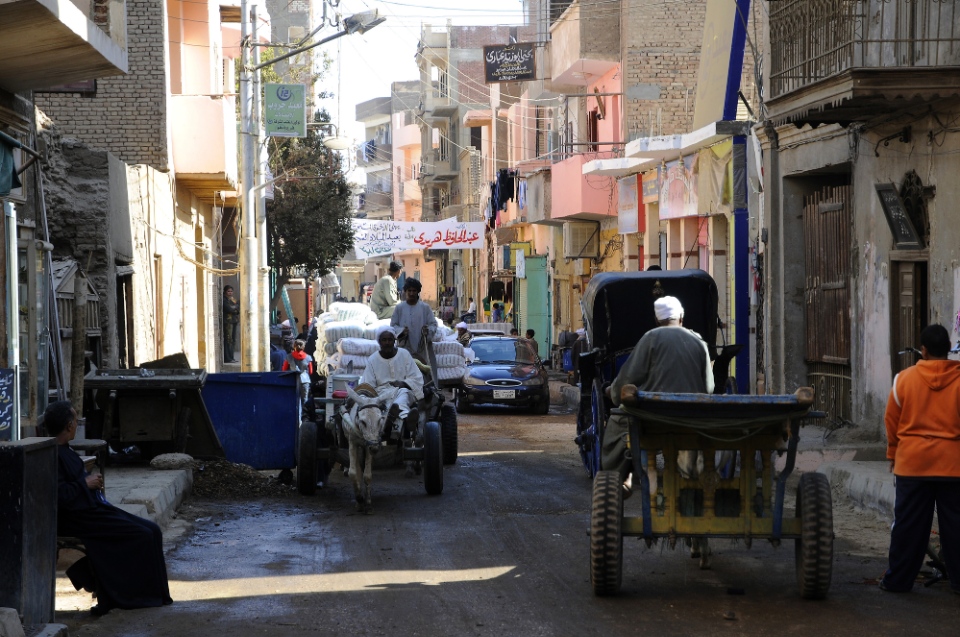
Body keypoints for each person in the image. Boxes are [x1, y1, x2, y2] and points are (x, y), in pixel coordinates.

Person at [44, 400, 172, 616]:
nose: (76, 424)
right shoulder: (52, 455)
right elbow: (58, 495)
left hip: (92, 511)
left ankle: (156, 595)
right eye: (75, 420)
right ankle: (130, 596)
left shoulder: (64, 450)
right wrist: (86, 483)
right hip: (79, 518)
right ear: (68, 426)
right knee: (141, 535)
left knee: (153, 531)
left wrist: (89, 482)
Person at [880, 323, 960, 594]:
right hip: (954, 465)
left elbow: (891, 420)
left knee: (908, 527)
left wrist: (893, 453)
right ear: (950, 349)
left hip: (912, 464)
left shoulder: (903, 379)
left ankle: (898, 581)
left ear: (922, 350)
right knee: (957, 526)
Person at [603, 296, 714, 477]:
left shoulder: (651, 338)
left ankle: (617, 478)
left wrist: (613, 393)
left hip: (653, 417)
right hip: (692, 417)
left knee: (617, 426)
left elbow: (627, 378)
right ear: (681, 318)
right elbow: (709, 388)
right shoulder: (698, 341)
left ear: (657, 320)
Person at [360, 330, 424, 440]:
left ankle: (403, 418)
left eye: (390, 340)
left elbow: (416, 377)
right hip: (381, 393)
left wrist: (403, 383)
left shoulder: (404, 354)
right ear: (379, 342)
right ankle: (402, 417)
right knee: (381, 403)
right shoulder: (373, 359)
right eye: (384, 340)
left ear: (394, 341)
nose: (387, 343)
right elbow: (368, 384)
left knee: (403, 396)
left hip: (401, 390)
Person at [391, 278, 436, 363]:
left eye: (414, 291)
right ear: (405, 291)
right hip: (404, 347)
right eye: (409, 291)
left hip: (421, 348)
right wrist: (401, 331)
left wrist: (428, 330)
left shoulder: (425, 308)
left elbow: (433, 324)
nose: (411, 293)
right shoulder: (399, 308)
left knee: (421, 371)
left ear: (418, 292)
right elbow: (393, 325)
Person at [282, 339, 316, 412]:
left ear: (294, 346)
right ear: (303, 347)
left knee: (293, 399)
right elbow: (310, 371)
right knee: (305, 400)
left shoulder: (289, 357)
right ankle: (303, 418)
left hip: (292, 380)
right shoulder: (308, 357)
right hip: (305, 380)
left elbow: (284, 369)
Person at [222, 285, 240, 363]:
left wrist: (234, 308)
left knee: (233, 340)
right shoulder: (224, 300)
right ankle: (228, 358)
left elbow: (238, 309)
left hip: (234, 321)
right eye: (228, 291)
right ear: (225, 292)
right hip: (228, 322)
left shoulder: (232, 300)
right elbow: (229, 309)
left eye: (231, 291)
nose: (230, 293)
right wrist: (234, 308)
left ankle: (231, 357)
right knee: (228, 340)